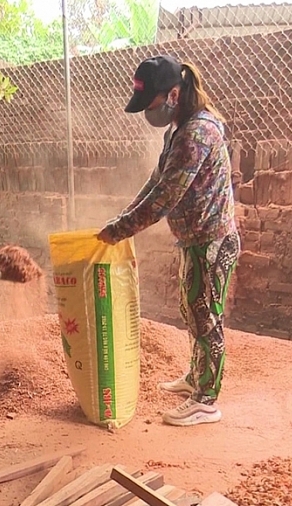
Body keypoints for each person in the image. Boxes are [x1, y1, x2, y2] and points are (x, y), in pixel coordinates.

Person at [97, 55, 240, 427]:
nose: (149, 112)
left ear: (174, 93)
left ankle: (207, 400)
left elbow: (165, 199)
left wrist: (119, 231)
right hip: (194, 238)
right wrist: (119, 220)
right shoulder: (177, 129)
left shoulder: (197, 133)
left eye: (152, 104)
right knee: (191, 307)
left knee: (206, 315)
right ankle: (197, 376)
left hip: (212, 240)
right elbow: (155, 183)